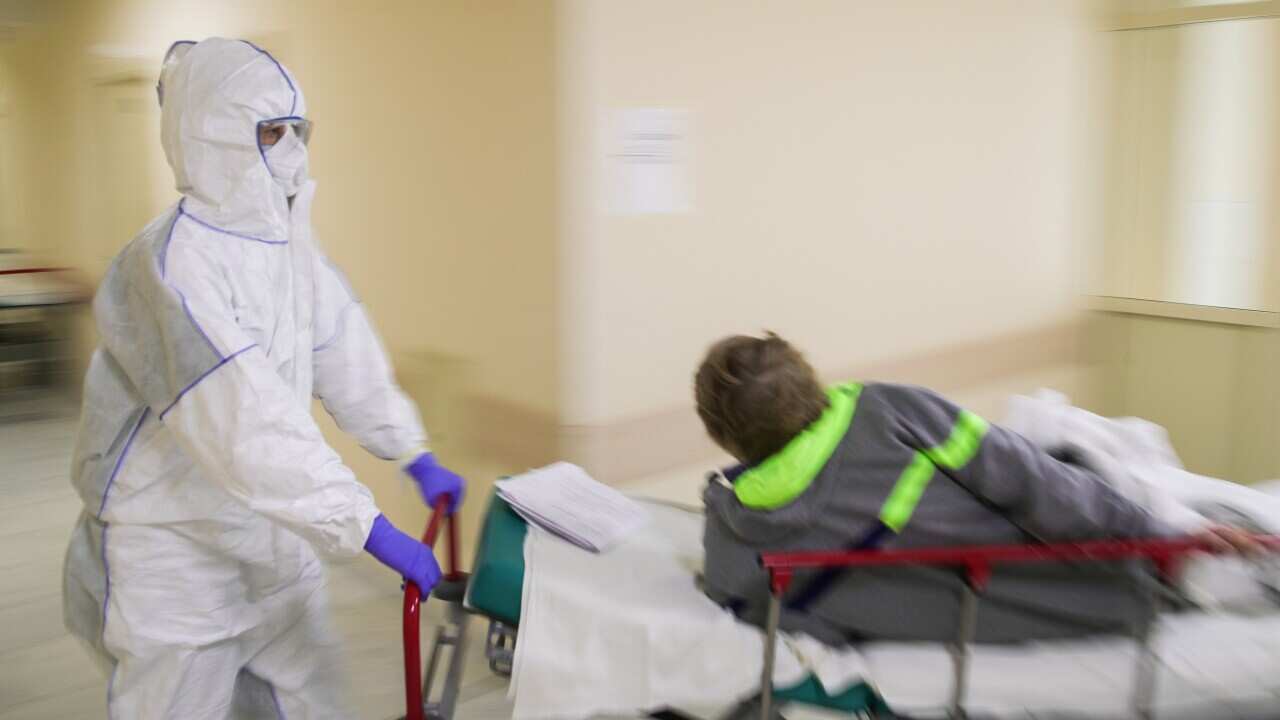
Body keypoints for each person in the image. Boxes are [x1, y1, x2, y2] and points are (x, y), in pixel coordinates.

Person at [61, 38, 464, 718]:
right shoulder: (169, 268)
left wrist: (410, 448)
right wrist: (365, 526)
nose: (292, 151)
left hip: (268, 534)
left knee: (309, 697)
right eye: (270, 132)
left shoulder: (286, 241)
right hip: (172, 552)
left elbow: (339, 341)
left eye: (297, 130)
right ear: (210, 135)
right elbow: (242, 423)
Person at [695, 332, 1252, 645]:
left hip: (997, 612)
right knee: (1075, 441)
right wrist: (1163, 538)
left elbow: (802, 628)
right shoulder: (887, 411)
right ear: (810, 379)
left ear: (724, 437)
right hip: (1105, 578)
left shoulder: (729, 545)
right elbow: (1038, 483)